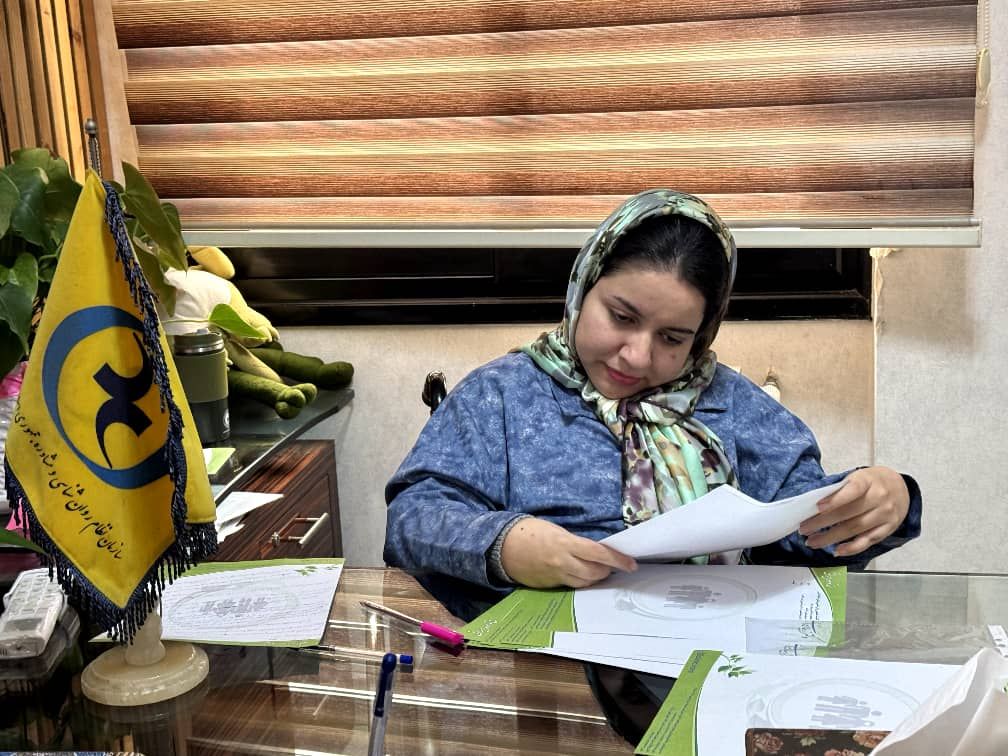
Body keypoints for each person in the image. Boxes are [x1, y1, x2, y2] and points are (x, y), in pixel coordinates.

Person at [384, 189, 921, 621]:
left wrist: (884, 499)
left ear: (701, 336)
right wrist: (505, 546)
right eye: (621, 317)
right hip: (542, 677)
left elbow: (808, 532)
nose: (637, 356)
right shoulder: (502, 395)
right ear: (582, 289)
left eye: (672, 338)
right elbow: (412, 520)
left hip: (707, 657)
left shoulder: (734, 406)